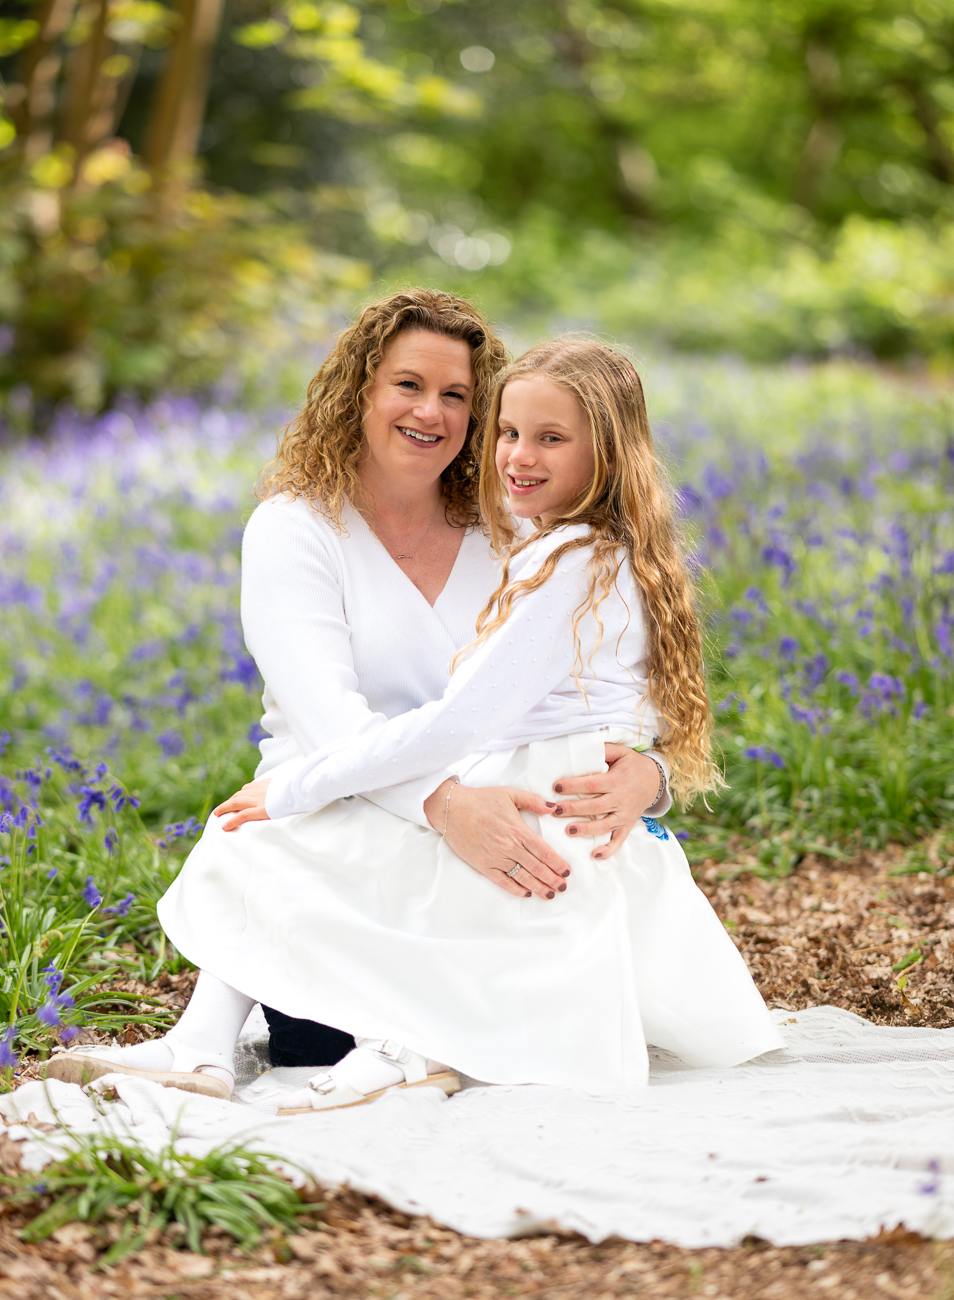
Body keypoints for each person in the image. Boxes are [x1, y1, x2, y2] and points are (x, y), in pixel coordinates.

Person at [48, 294, 671, 1102]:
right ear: (359, 392)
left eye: (458, 396)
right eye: (408, 384)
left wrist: (648, 774)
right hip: (349, 823)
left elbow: (609, 688)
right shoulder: (295, 527)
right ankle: (205, 1046)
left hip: (491, 829)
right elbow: (328, 723)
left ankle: (408, 1040)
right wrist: (448, 806)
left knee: (292, 823)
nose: (431, 411)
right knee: (283, 902)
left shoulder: (520, 529)